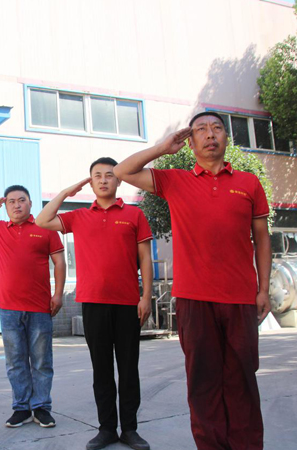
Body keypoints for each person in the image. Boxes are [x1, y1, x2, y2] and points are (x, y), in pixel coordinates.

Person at [113, 112, 271, 450]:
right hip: (193, 299)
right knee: (203, 383)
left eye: (217, 128)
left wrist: (263, 289)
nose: (210, 134)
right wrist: (163, 147)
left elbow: (262, 239)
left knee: (242, 380)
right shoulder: (175, 181)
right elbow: (122, 171)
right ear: (191, 141)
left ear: (226, 138)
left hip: (241, 298)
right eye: (201, 129)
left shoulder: (249, 183)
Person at [36, 158, 153, 450]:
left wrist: (146, 296)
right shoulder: (79, 217)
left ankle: (130, 429)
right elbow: (42, 221)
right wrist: (67, 192)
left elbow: (145, 258)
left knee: (129, 370)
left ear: (119, 180)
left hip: (127, 304)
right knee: (101, 371)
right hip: (93, 303)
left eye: (109, 175)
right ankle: (106, 429)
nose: (103, 180)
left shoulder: (134, 214)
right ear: (91, 182)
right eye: (97, 176)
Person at [0, 185, 66, 428]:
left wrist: (58, 294)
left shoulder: (45, 228)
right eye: (11, 201)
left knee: (42, 360)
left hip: (40, 307)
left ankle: (41, 407)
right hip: (9, 307)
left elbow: (59, 262)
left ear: (30, 203)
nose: (16, 205)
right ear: (6, 206)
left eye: (21, 200)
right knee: (15, 361)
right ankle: (21, 408)